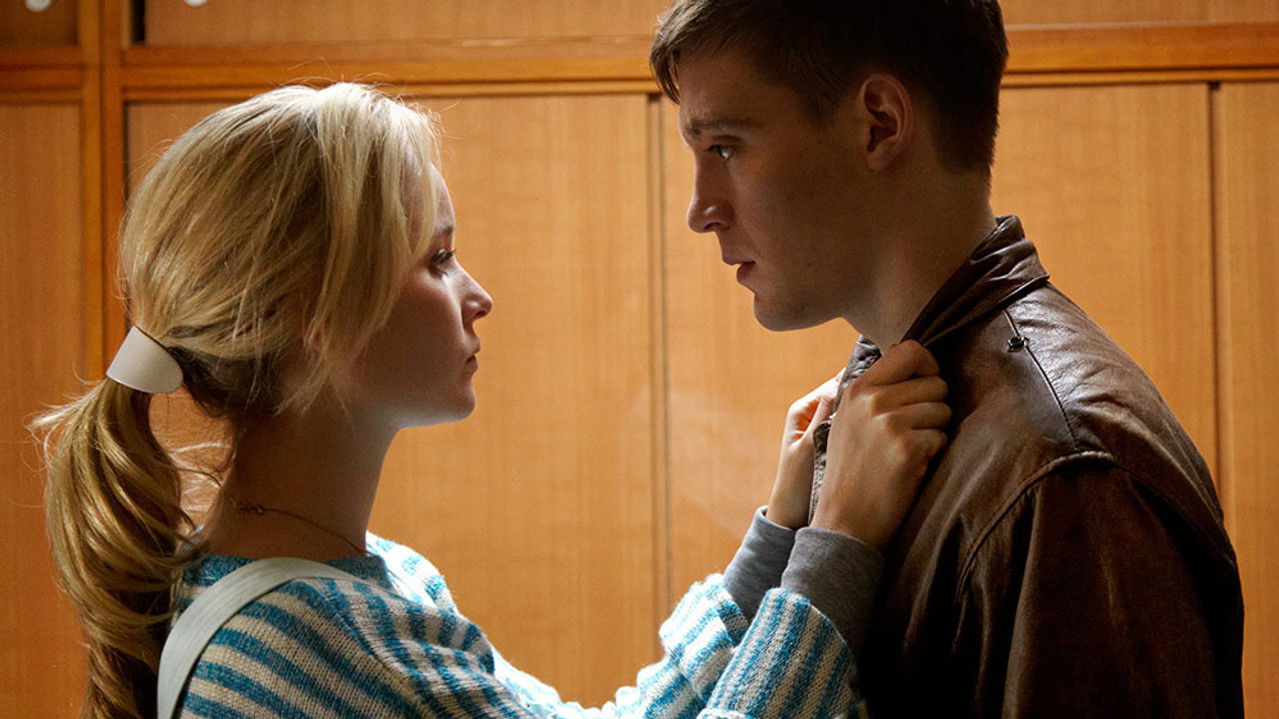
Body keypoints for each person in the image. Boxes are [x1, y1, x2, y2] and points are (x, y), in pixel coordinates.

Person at [32, 83, 954, 719]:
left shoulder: (363, 586)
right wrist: (838, 548)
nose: (476, 293)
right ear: (317, 315)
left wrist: (785, 534)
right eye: (436, 258)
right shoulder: (293, 651)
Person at [650, 1, 1244, 717]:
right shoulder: (873, 421)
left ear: (879, 124)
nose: (700, 210)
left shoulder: (1069, 468)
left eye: (724, 147)